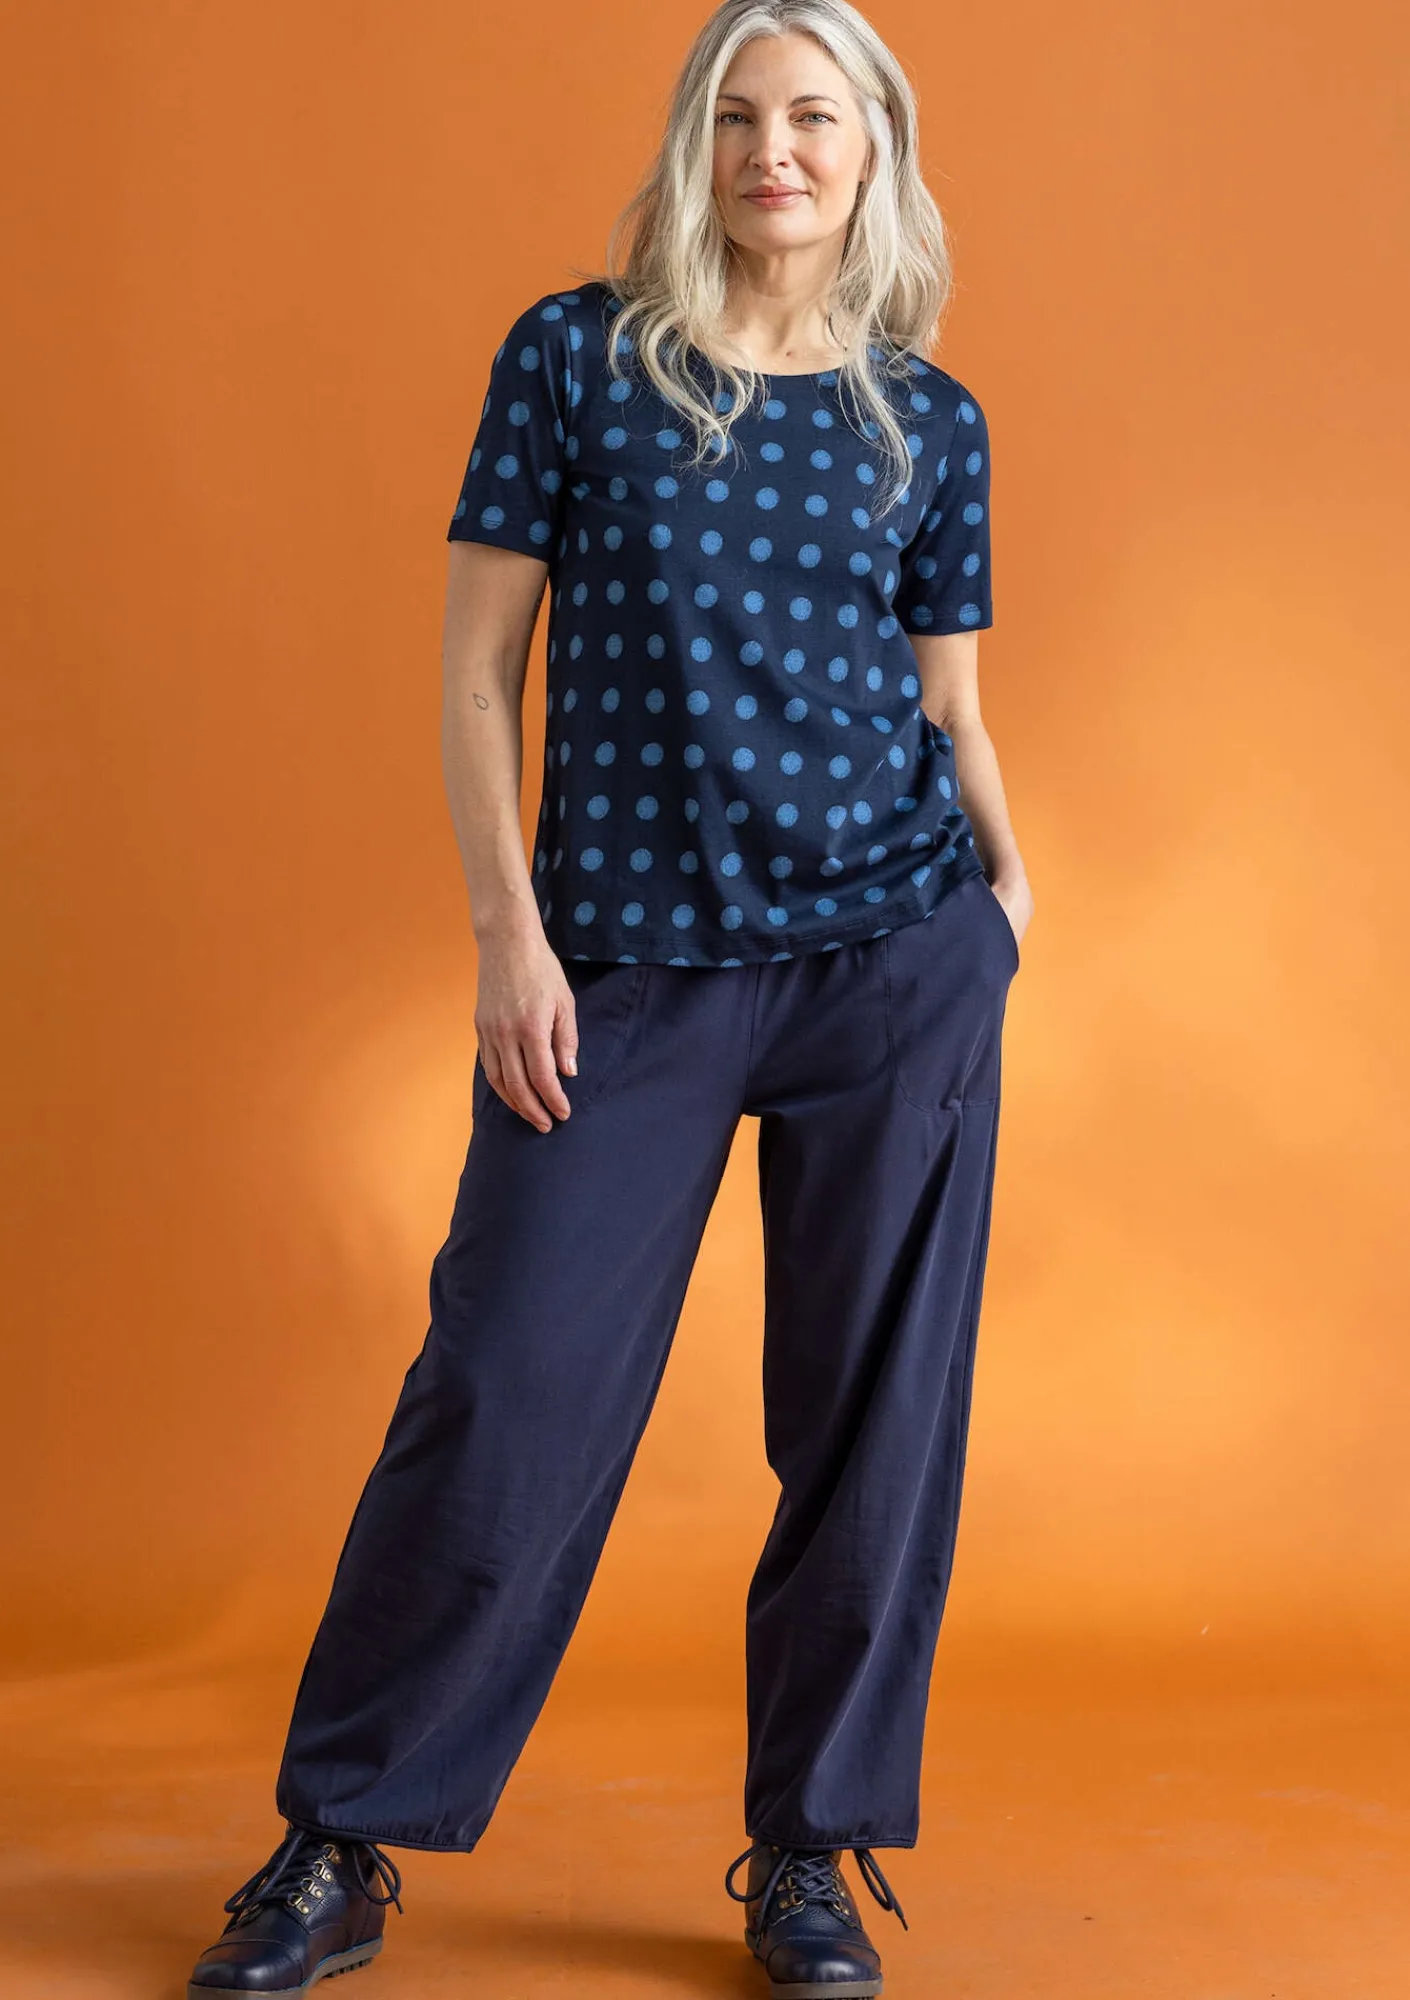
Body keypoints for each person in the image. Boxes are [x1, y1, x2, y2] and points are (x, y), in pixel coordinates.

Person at [185, 2, 1033, 1995]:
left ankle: (811, 1850)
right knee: (507, 1391)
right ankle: (340, 1838)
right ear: (692, 143)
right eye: (736, 115)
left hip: (891, 967)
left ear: (875, 146)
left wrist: (1004, 903)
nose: (773, 151)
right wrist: (509, 935)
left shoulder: (927, 416)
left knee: (873, 1426)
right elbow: (481, 672)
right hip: (622, 969)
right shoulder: (577, 358)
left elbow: (951, 705)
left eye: (812, 116)